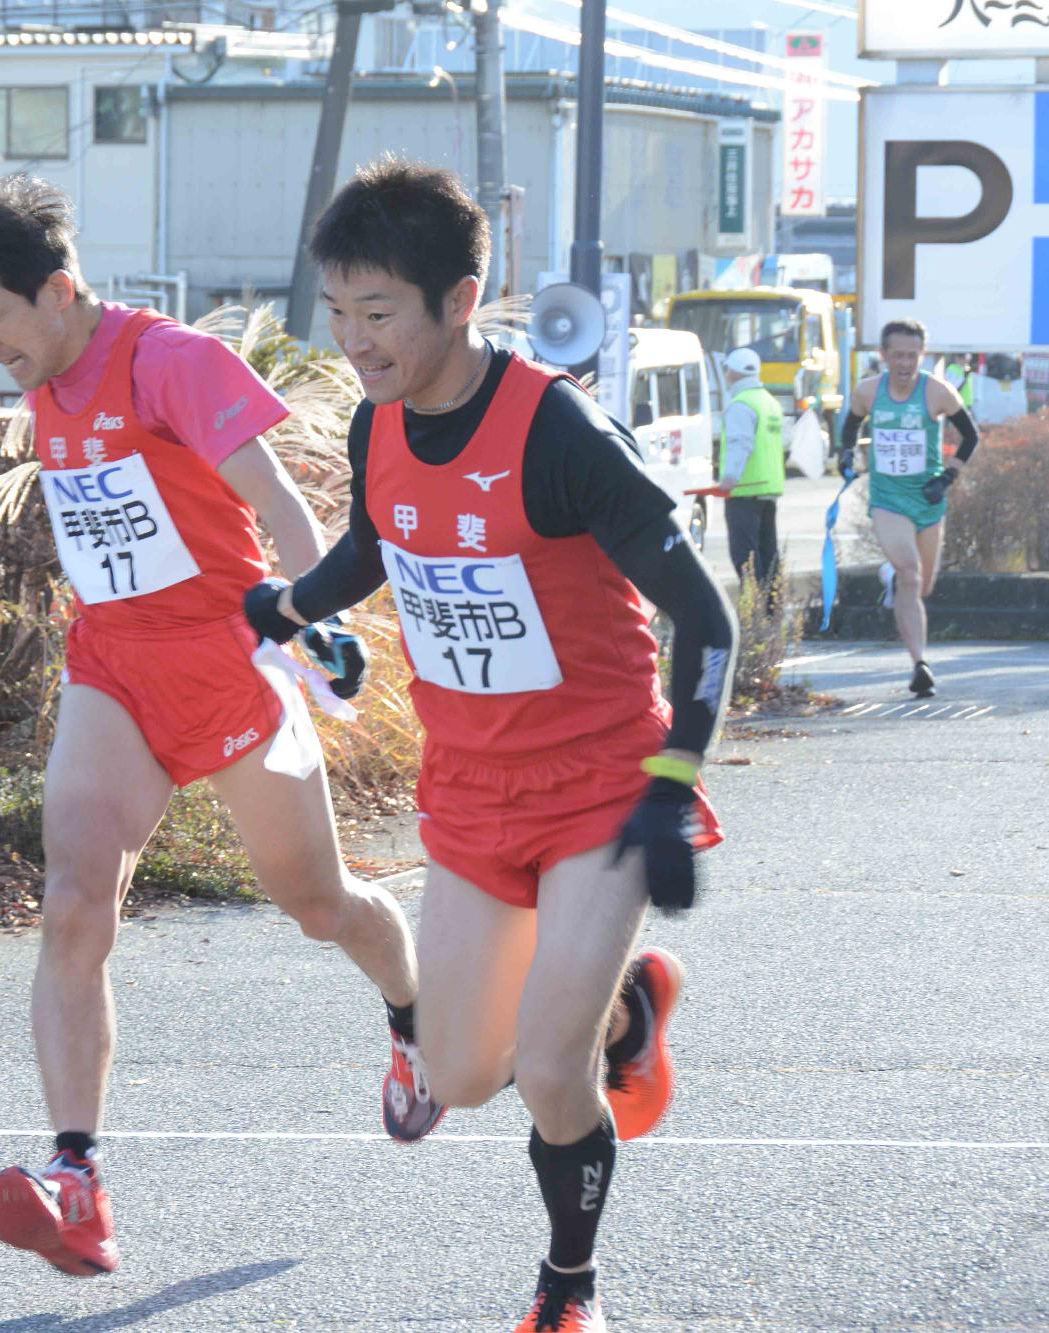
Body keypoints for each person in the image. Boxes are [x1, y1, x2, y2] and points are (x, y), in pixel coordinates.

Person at [244, 158, 738, 1333]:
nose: (354, 342)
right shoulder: (376, 419)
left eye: (378, 314)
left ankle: (567, 1288)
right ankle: (624, 1006)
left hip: (601, 785)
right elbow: (378, 541)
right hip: (469, 788)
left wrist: (670, 786)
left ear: (459, 300)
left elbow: (706, 618)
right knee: (464, 1073)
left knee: (551, 1074)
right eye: (339, 312)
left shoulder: (557, 432)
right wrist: (291, 604)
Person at [0, 175, 439, 1279]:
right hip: (113, 671)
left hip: (231, 669)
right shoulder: (46, 379)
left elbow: (279, 502)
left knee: (319, 904)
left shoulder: (170, 363)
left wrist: (318, 621)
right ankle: (76, 1180)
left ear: (58, 291)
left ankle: (413, 1015)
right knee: (73, 904)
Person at [839, 319, 982, 698]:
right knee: (911, 574)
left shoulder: (937, 392)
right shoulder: (869, 391)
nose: (904, 364)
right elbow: (850, 426)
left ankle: (891, 578)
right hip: (888, 500)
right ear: (884, 355)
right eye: (897, 356)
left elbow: (971, 436)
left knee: (924, 586)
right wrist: (846, 454)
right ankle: (920, 665)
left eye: (912, 356)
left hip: (928, 499)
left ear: (923, 355)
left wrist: (948, 477)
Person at [715, 346, 785, 588]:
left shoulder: (741, 405)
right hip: (768, 490)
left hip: (744, 491)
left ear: (733, 373)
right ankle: (771, 606)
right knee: (768, 554)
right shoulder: (770, 403)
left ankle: (753, 605)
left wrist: (730, 477)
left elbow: (740, 443)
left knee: (745, 558)